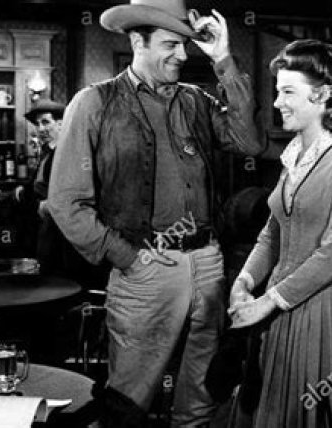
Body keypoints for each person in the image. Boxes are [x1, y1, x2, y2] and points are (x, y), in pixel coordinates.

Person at [47, 0, 263, 426]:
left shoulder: (196, 100)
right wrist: (126, 257)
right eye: (170, 44)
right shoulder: (94, 103)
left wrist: (223, 60)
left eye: (185, 45)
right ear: (137, 41)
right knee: (129, 401)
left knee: (201, 397)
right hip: (145, 267)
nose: (182, 55)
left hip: (207, 263)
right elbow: (66, 201)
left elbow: (249, 142)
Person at [228, 39, 332, 428]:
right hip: (279, 307)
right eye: (278, 92)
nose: (277, 103)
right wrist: (244, 281)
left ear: (322, 96)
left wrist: (268, 302)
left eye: (288, 92)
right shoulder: (293, 159)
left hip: (323, 313)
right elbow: (271, 235)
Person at [15, 99, 81, 275]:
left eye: (46, 122)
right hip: (42, 223)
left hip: (59, 228)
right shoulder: (48, 151)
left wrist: (45, 205)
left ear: (61, 124)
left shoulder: (68, 152)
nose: (41, 129)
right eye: (38, 124)